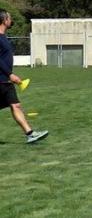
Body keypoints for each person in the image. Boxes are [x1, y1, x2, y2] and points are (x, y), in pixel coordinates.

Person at [0, 9, 48, 143]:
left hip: (5, 80)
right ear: (4, 20)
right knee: (15, 105)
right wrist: (10, 74)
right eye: (9, 18)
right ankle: (30, 134)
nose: (11, 20)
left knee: (15, 105)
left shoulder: (3, 37)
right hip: (2, 79)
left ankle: (30, 134)